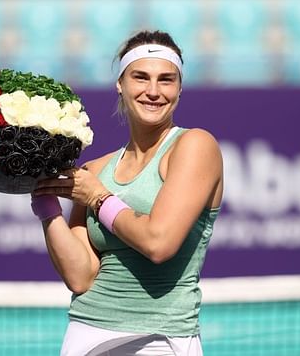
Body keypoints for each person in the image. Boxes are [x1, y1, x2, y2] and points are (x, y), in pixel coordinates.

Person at [31, 30, 223, 356]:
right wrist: (45, 201)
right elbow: (80, 277)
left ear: (179, 89)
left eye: (166, 80)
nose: (153, 91)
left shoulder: (195, 145)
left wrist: (98, 198)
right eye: (140, 77)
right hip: (86, 333)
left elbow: (159, 243)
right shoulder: (95, 170)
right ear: (120, 84)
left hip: (162, 339)